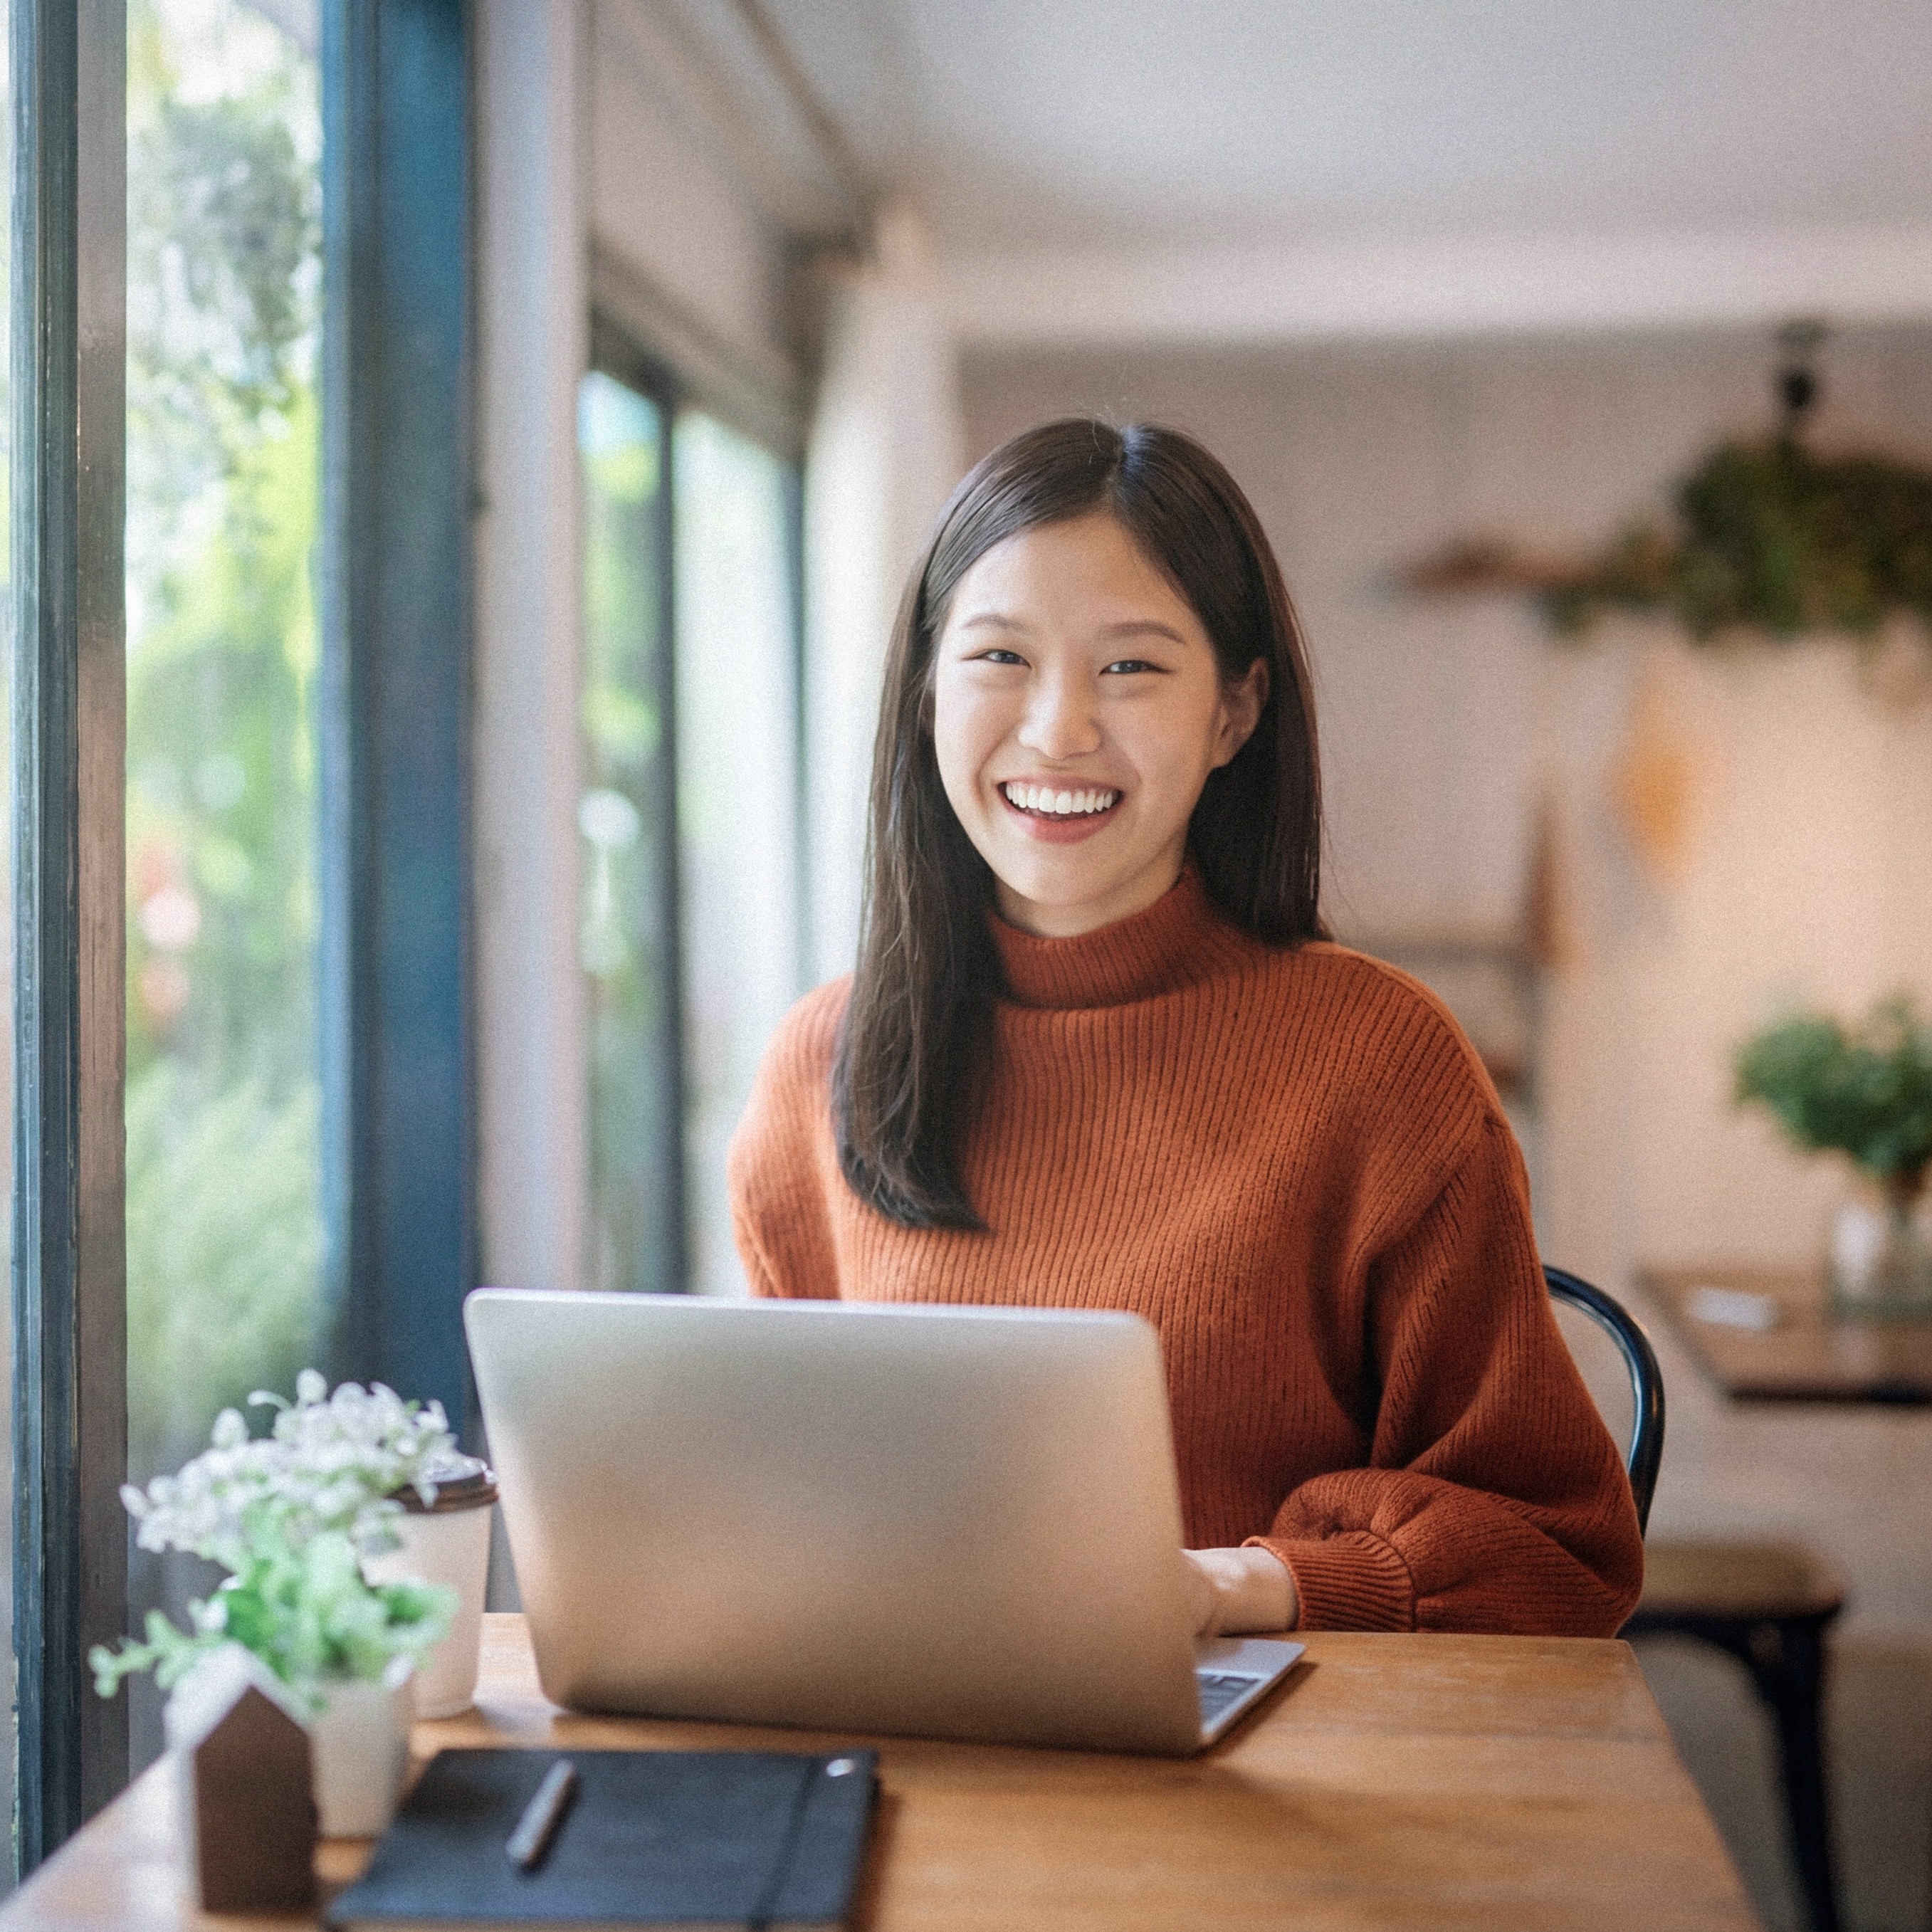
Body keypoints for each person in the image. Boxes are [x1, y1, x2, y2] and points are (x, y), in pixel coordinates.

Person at [729, 418, 1642, 1639]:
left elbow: (1560, 1545)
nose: (1057, 729)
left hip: (1269, 1773)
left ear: (1234, 712)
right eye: (999, 655)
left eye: (1131, 668)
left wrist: (1249, 1586)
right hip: (910, 1745)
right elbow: (774, 1494)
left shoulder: (1378, 1061)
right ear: (925, 692)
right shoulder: (818, 1062)